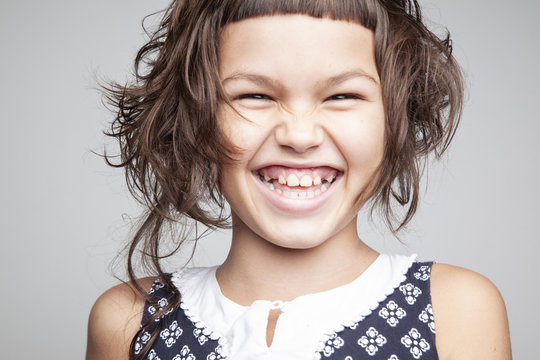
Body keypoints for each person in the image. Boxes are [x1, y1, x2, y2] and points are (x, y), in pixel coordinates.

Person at [86, 1, 512, 359]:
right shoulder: (127, 319)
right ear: (193, 118)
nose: (300, 136)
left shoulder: (455, 310)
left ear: (396, 116)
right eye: (254, 96)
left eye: (343, 96)